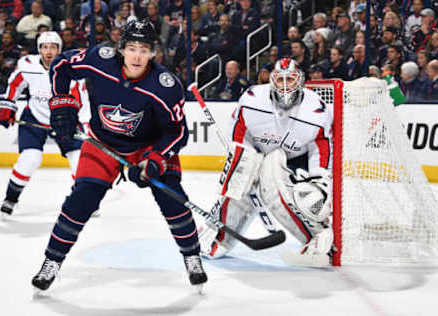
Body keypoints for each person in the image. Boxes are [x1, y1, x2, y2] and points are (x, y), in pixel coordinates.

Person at [31, 20, 207, 292]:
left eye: (144, 50)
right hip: (104, 144)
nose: (137, 56)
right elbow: (61, 66)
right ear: (121, 48)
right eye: (132, 48)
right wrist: (61, 102)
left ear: (153, 53)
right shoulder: (99, 60)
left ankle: (192, 257)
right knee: (81, 199)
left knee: (173, 199)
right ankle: (51, 261)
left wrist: (155, 160)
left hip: (149, 146)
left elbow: (177, 132)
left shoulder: (166, 85)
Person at [199, 58, 334, 267]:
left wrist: (318, 178)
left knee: (303, 198)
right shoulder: (253, 98)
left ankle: (317, 238)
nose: (286, 85)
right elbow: (239, 135)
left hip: (297, 161)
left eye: (290, 79)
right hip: (258, 153)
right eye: (280, 79)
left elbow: (321, 147)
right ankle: (219, 234)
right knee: (238, 184)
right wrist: (245, 163)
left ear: (301, 81)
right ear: (272, 81)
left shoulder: (316, 108)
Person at [0, 31, 89, 217]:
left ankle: (83, 201)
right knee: (30, 159)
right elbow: (15, 85)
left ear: (60, 50)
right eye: (45, 47)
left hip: (65, 120)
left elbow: (81, 100)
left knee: (79, 160)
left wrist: (79, 121)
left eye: (53, 47)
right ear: (39, 49)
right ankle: (11, 199)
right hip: (34, 118)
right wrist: (8, 106)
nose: (49, 51)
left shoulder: (71, 69)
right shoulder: (27, 65)